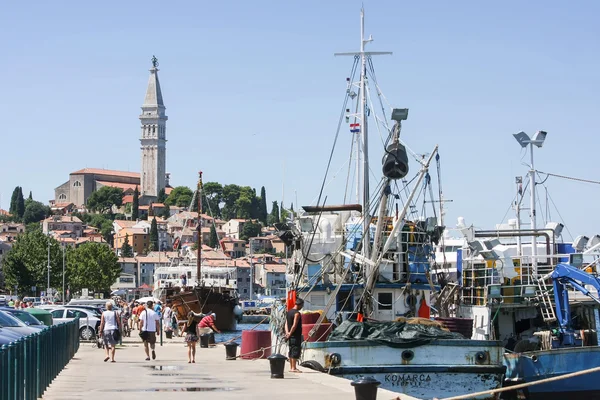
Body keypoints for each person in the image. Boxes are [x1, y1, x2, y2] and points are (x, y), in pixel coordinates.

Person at [285, 298, 304, 373]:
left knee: (291, 350)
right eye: (302, 305)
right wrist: (291, 333)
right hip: (295, 335)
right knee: (295, 350)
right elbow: (294, 325)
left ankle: (291, 367)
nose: (302, 307)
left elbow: (286, 323)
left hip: (289, 335)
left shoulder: (289, 312)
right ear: (300, 305)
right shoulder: (297, 313)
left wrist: (287, 333)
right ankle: (294, 368)